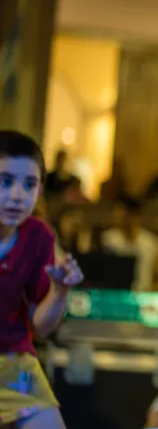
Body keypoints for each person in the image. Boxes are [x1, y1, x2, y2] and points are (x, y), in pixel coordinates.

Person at [0, 131, 84, 429]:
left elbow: (42, 326)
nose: (17, 195)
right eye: (5, 181)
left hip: (11, 361)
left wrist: (59, 292)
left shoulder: (38, 236)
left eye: (29, 184)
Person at [100, 196, 158, 292]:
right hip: (115, 296)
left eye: (122, 215)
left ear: (134, 216)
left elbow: (157, 277)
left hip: (143, 296)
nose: (117, 218)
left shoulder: (151, 243)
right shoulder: (107, 240)